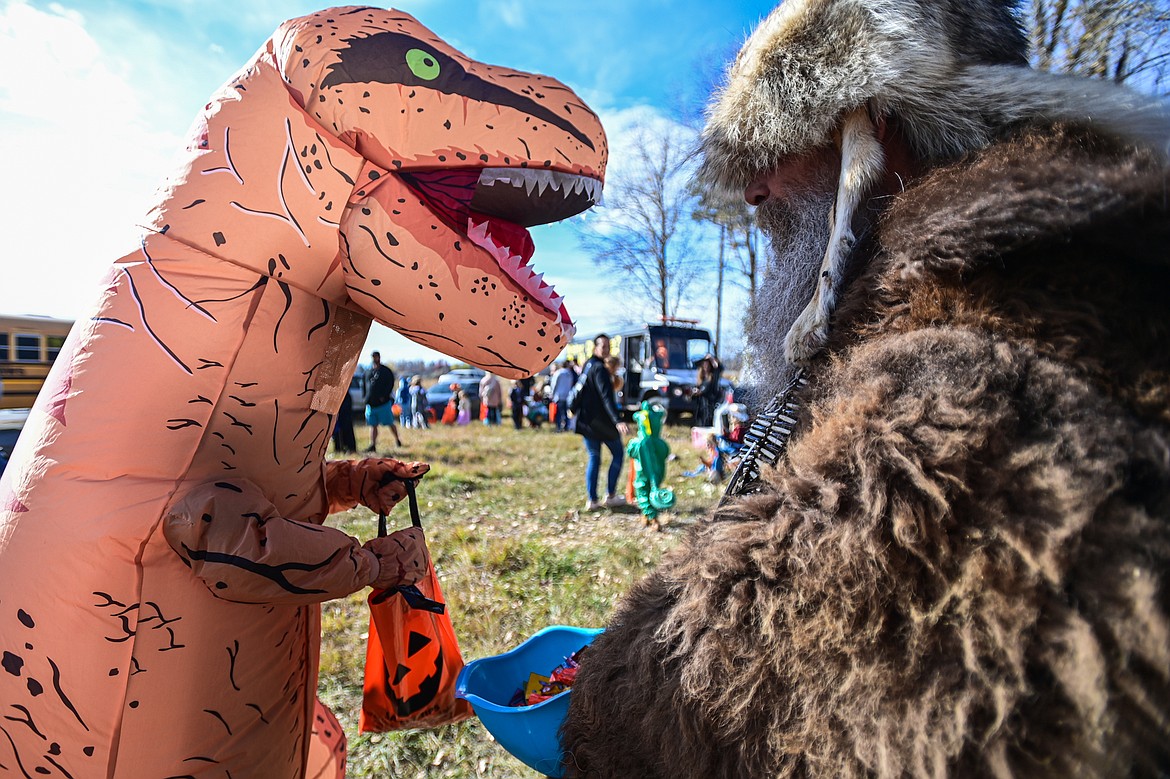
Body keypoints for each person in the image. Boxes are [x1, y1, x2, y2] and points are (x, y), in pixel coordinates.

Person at [562, 1, 1170, 777]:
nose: (753, 191)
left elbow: (714, 697)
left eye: (774, 147)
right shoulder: (1006, 288)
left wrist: (601, 696)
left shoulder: (972, 380)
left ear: (875, 130)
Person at [573, 334, 630, 511]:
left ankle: (592, 500)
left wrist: (573, 409)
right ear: (595, 347)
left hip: (587, 420)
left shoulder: (588, 365)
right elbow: (606, 397)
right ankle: (610, 496)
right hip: (600, 423)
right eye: (603, 346)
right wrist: (618, 420)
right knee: (618, 453)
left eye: (608, 346)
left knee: (595, 457)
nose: (606, 349)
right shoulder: (599, 369)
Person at [363, 351, 402, 451]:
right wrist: (365, 397)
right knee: (373, 425)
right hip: (371, 404)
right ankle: (373, 445)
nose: (375, 359)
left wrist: (384, 396)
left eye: (376, 357)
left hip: (383, 404)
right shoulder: (368, 371)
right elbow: (364, 385)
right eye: (373, 357)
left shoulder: (386, 371)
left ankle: (397, 439)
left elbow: (390, 384)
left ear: (379, 357)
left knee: (389, 423)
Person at [693, 354, 723, 427]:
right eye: (704, 364)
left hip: (710, 404)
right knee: (700, 423)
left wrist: (711, 358)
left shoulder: (713, 377)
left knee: (708, 423)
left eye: (707, 364)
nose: (706, 366)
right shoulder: (701, 379)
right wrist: (695, 392)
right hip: (701, 406)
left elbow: (719, 368)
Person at [550, 361, 577, 431]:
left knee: (559, 413)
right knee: (566, 412)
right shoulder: (569, 373)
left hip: (559, 395)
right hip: (568, 395)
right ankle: (567, 426)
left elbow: (554, 384)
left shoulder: (558, 373)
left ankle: (559, 427)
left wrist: (552, 393)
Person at [331, 385, 357, 454]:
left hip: (343, 397)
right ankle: (338, 448)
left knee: (346, 424)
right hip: (335, 398)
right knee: (336, 425)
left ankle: (350, 447)